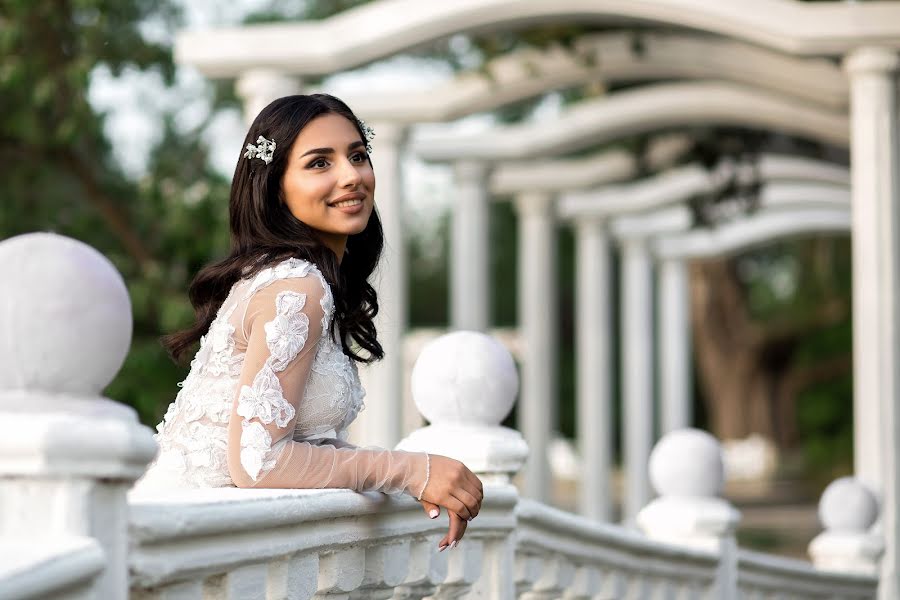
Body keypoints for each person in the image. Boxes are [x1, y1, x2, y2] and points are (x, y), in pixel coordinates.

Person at [133, 94, 482, 550]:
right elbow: (258, 462)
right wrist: (410, 470)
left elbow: (304, 448)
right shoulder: (296, 288)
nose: (351, 176)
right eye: (320, 163)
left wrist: (415, 472)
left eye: (358, 156)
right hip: (179, 549)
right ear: (276, 186)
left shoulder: (294, 277)